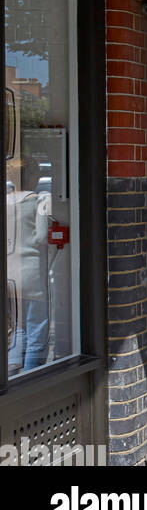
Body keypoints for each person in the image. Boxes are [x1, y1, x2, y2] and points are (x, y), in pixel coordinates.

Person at [6, 154, 50, 375]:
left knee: (18, 326)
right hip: (32, 272)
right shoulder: (42, 199)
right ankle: (32, 376)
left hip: (9, 272)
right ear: (34, 175)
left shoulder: (4, 200)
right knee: (37, 328)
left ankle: (13, 373)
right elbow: (42, 237)